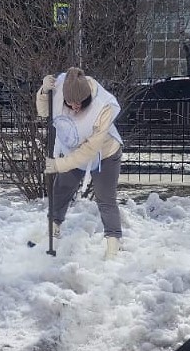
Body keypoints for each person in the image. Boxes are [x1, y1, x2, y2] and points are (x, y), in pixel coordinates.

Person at [37, 67, 125, 259]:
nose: (76, 107)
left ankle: (113, 243)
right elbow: (44, 112)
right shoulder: (59, 89)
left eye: (81, 103)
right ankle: (52, 229)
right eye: (71, 103)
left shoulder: (104, 106)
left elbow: (90, 150)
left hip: (105, 154)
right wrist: (44, 92)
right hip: (74, 150)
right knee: (61, 190)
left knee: (105, 198)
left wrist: (60, 165)